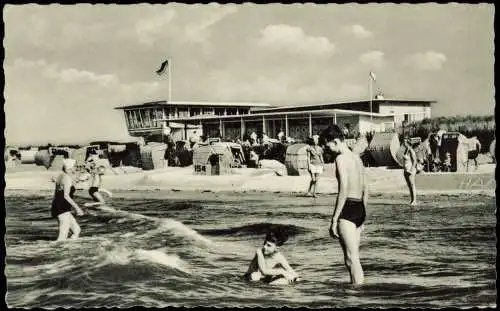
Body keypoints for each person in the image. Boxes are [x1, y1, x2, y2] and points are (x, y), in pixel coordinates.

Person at [321, 125, 367, 286]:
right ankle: (357, 291)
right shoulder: (357, 158)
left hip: (348, 210)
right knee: (353, 259)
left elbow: (344, 189)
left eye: (328, 146)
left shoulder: (341, 159)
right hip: (360, 208)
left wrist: (334, 220)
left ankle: (358, 296)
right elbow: (365, 188)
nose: (328, 150)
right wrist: (363, 218)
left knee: (351, 259)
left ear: (335, 141)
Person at [51, 159, 84, 241]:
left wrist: (54, 207)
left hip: (59, 206)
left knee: (76, 230)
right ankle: (55, 250)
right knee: (62, 236)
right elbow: (66, 196)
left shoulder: (61, 176)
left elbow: (56, 193)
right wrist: (77, 208)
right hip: (62, 207)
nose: (75, 169)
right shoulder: (67, 178)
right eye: (74, 167)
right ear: (69, 168)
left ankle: (69, 250)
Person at [402, 137, 418, 205]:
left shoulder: (411, 150)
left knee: (412, 184)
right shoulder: (406, 150)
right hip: (406, 170)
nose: (403, 143)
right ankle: (412, 200)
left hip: (411, 170)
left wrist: (411, 169)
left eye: (404, 142)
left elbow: (415, 161)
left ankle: (414, 201)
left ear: (408, 143)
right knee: (409, 185)